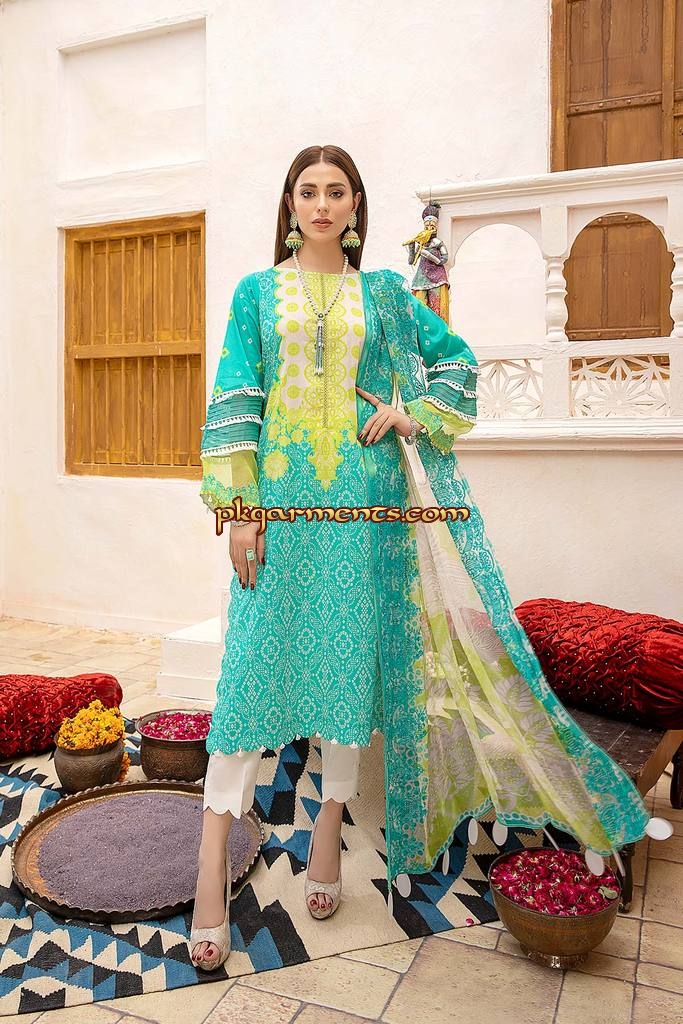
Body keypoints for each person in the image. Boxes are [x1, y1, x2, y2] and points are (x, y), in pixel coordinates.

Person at [189, 144, 653, 971]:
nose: (321, 204)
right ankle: (205, 872)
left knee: (345, 674)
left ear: (354, 206)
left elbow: (456, 362)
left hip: (365, 511)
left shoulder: (383, 295)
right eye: (308, 191)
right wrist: (239, 511)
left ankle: (326, 834)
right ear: (289, 205)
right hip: (282, 510)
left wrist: (411, 415)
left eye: (336, 191)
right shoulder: (256, 293)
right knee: (250, 678)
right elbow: (236, 396)